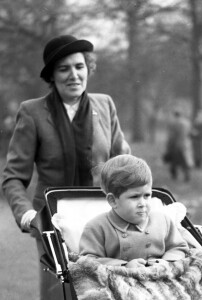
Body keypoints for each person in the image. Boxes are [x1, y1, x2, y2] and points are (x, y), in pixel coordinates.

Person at [1, 35, 131, 299]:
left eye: (79, 66)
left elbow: (125, 166)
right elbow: (13, 177)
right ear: (52, 76)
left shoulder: (104, 105)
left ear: (88, 69)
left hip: (105, 221)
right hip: (53, 223)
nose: (74, 75)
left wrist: (138, 200)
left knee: (103, 293)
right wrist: (27, 215)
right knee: (58, 294)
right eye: (64, 69)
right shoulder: (32, 112)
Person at [79, 154, 189, 267]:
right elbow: (89, 261)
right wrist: (124, 265)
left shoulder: (162, 221)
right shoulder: (97, 227)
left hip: (160, 278)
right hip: (118, 281)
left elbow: (179, 247)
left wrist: (167, 261)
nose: (143, 203)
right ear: (113, 200)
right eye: (134, 197)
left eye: (147, 195)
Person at [163, 109, 193, 182]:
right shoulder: (187, 123)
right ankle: (187, 176)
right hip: (186, 144)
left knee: (174, 162)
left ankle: (174, 176)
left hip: (176, 145)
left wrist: (169, 145)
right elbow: (190, 134)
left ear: (175, 115)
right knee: (185, 161)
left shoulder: (175, 124)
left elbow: (172, 136)